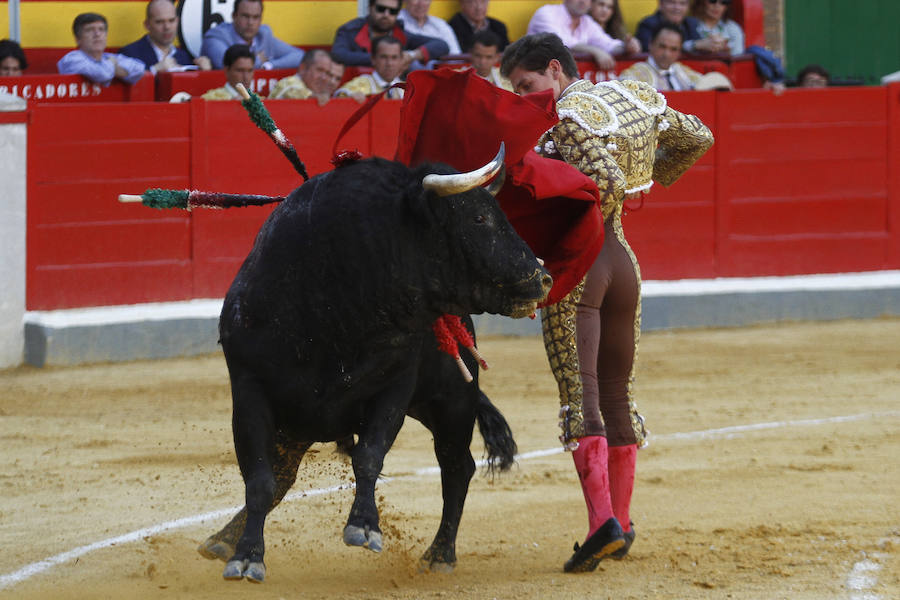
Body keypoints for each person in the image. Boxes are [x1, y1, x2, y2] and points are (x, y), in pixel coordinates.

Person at [500, 32, 713, 572]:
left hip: (582, 266)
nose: (525, 98)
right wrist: (651, 177)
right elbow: (700, 137)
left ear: (554, 68)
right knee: (618, 394)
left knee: (583, 395)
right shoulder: (636, 95)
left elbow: (607, 180)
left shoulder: (567, 119)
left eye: (527, 85)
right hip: (625, 265)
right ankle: (622, 521)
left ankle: (601, 526)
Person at [332, 0, 449, 68]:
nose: (386, 15)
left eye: (392, 11)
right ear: (370, 8)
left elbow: (441, 45)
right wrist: (388, 58)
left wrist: (412, 55)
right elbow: (338, 55)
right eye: (381, 9)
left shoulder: (400, 33)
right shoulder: (350, 31)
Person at [200, 0, 303, 70]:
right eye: (245, 16)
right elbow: (231, 66)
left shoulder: (263, 35)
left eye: (255, 17)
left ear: (261, 19)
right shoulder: (216, 36)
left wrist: (268, 65)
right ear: (234, 16)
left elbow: (301, 56)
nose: (250, 22)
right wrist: (258, 61)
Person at [526, 0, 628, 70]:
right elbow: (560, 44)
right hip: (537, 77)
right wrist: (595, 51)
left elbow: (608, 44)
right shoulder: (546, 12)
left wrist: (626, 47)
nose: (583, 1)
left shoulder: (587, 21)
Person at [121, 0, 212, 73]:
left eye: (171, 21)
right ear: (147, 25)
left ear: (177, 21)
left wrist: (205, 74)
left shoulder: (185, 57)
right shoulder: (129, 54)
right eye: (159, 22)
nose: (167, 27)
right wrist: (153, 71)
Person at [57, 13, 146, 85]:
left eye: (101, 29)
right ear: (77, 39)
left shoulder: (108, 57)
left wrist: (113, 67)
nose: (97, 34)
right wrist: (115, 66)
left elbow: (139, 69)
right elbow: (103, 74)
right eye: (89, 30)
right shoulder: (72, 59)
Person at [618, 23, 703, 91]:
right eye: (662, 47)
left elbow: (709, 83)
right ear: (650, 44)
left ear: (679, 51)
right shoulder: (634, 74)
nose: (667, 54)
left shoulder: (683, 71)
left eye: (673, 49)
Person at [336, 35, 406, 101]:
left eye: (394, 58)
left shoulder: (407, 89)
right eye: (384, 57)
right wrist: (350, 97)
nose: (389, 63)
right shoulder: (359, 85)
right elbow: (339, 96)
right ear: (373, 59)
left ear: (401, 60)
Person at [268, 49, 344, 103]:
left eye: (327, 73)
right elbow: (293, 90)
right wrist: (315, 97)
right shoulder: (289, 82)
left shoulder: (313, 88)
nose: (324, 77)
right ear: (303, 68)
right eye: (319, 70)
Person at [634, 0, 702, 53]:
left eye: (682, 3)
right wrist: (693, 45)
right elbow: (650, 49)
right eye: (672, 2)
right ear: (660, 4)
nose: (677, 8)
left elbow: (700, 46)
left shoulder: (692, 24)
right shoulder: (648, 24)